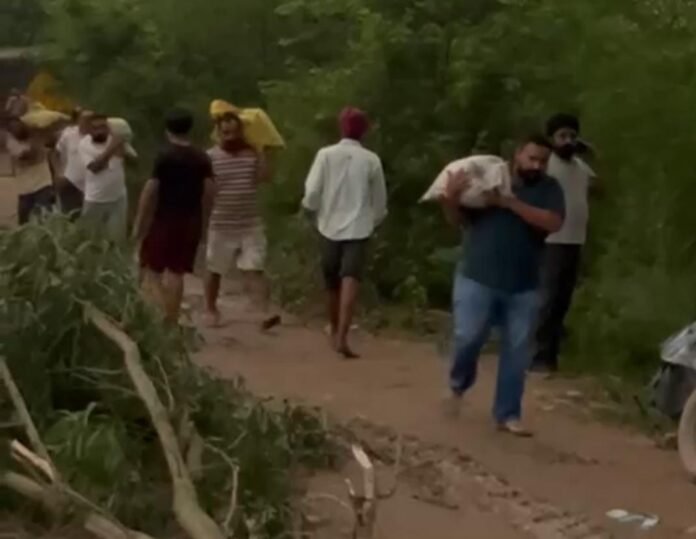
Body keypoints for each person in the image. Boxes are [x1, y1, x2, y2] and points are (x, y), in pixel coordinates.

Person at [441, 134, 565, 436]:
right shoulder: (487, 178)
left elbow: (553, 222)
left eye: (543, 161)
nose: (537, 166)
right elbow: (457, 221)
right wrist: (450, 199)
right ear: (517, 154)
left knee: (517, 352)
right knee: (468, 337)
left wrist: (508, 203)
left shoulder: (549, 188)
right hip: (477, 276)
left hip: (524, 284)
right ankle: (457, 384)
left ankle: (507, 414)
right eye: (531, 158)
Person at [302, 107, 388, 359]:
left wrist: (311, 209)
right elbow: (379, 201)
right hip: (359, 227)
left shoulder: (325, 155)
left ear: (341, 127)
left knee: (332, 281)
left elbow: (312, 191)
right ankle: (342, 335)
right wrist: (373, 221)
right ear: (365, 131)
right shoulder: (371, 160)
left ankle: (333, 328)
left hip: (328, 225)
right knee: (351, 277)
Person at [133, 108, 215, 324]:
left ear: (167, 130)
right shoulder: (201, 157)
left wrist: (139, 222)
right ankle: (172, 318)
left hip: (165, 218)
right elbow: (209, 191)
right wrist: (205, 221)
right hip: (191, 220)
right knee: (177, 271)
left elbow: (150, 190)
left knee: (152, 268)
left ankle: (163, 310)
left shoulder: (164, 156)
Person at [532, 114, 597, 374]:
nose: (568, 141)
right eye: (562, 136)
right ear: (551, 139)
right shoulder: (547, 164)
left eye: (572, 135)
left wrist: (595, 156)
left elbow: (600, 188)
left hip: (575, 240)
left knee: (562, 301)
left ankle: (551, 355)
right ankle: (536, 356)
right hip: (551, 241)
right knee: (547, 299)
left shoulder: (580, 166)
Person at [204, 111, 279, 330]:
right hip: (220, 223)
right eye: (225, 132)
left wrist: (263, 151)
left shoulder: (251, 154)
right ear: (218, 132)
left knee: (255, 268)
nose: (229, 136)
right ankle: (210, 309)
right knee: (214, 269)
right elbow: (205, 190)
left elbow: (264, 177)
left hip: (250, 224)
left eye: (234, 131)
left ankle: (264, 313)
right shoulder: (210, 157)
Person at [79, 114, 136, 242]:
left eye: (103, 127)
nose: (100, 131)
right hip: (95, 199)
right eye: (95, 128)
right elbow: (94, 168)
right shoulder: (85, 144)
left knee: (117, 239)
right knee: (90, 238)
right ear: (89, 130)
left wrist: (124, 152)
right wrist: (112, 148)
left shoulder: (116, 139)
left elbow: (134, 162)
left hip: (118, 198)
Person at [6, 119, 55, 224]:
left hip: (42, 184)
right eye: (13, 128)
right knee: (24, 220)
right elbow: (26, 157)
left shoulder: (36, 138)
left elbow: (45, 149)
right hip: (24, 188)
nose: (16, 129)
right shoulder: (12, 142)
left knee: (46, 218)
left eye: (18, 126)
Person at [55, 108, 92, 215]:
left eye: (90, 120)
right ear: (78, 120)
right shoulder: (68, 135)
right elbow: (56, 153)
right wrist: (58, 173)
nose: (87, 122)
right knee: (70, 216)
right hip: (69, 182)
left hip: (91, 185)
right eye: (84, 119)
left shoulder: (96, 136)